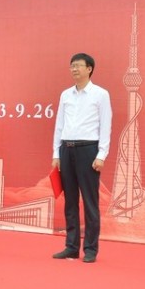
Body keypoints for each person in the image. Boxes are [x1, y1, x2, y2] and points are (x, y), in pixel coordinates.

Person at [51, 53, 112, 263]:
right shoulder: (65, 95)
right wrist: (56, 153)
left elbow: (106, 125)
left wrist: (101, 154)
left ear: (89, 69)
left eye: (78, 66)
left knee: (89, 201)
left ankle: (91, 249)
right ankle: (71, 246)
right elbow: (59, 125)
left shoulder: (101, 94)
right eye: (72, 66)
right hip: (66, 149)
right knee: (70, 201)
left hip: (88, 150)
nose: (74, 69)